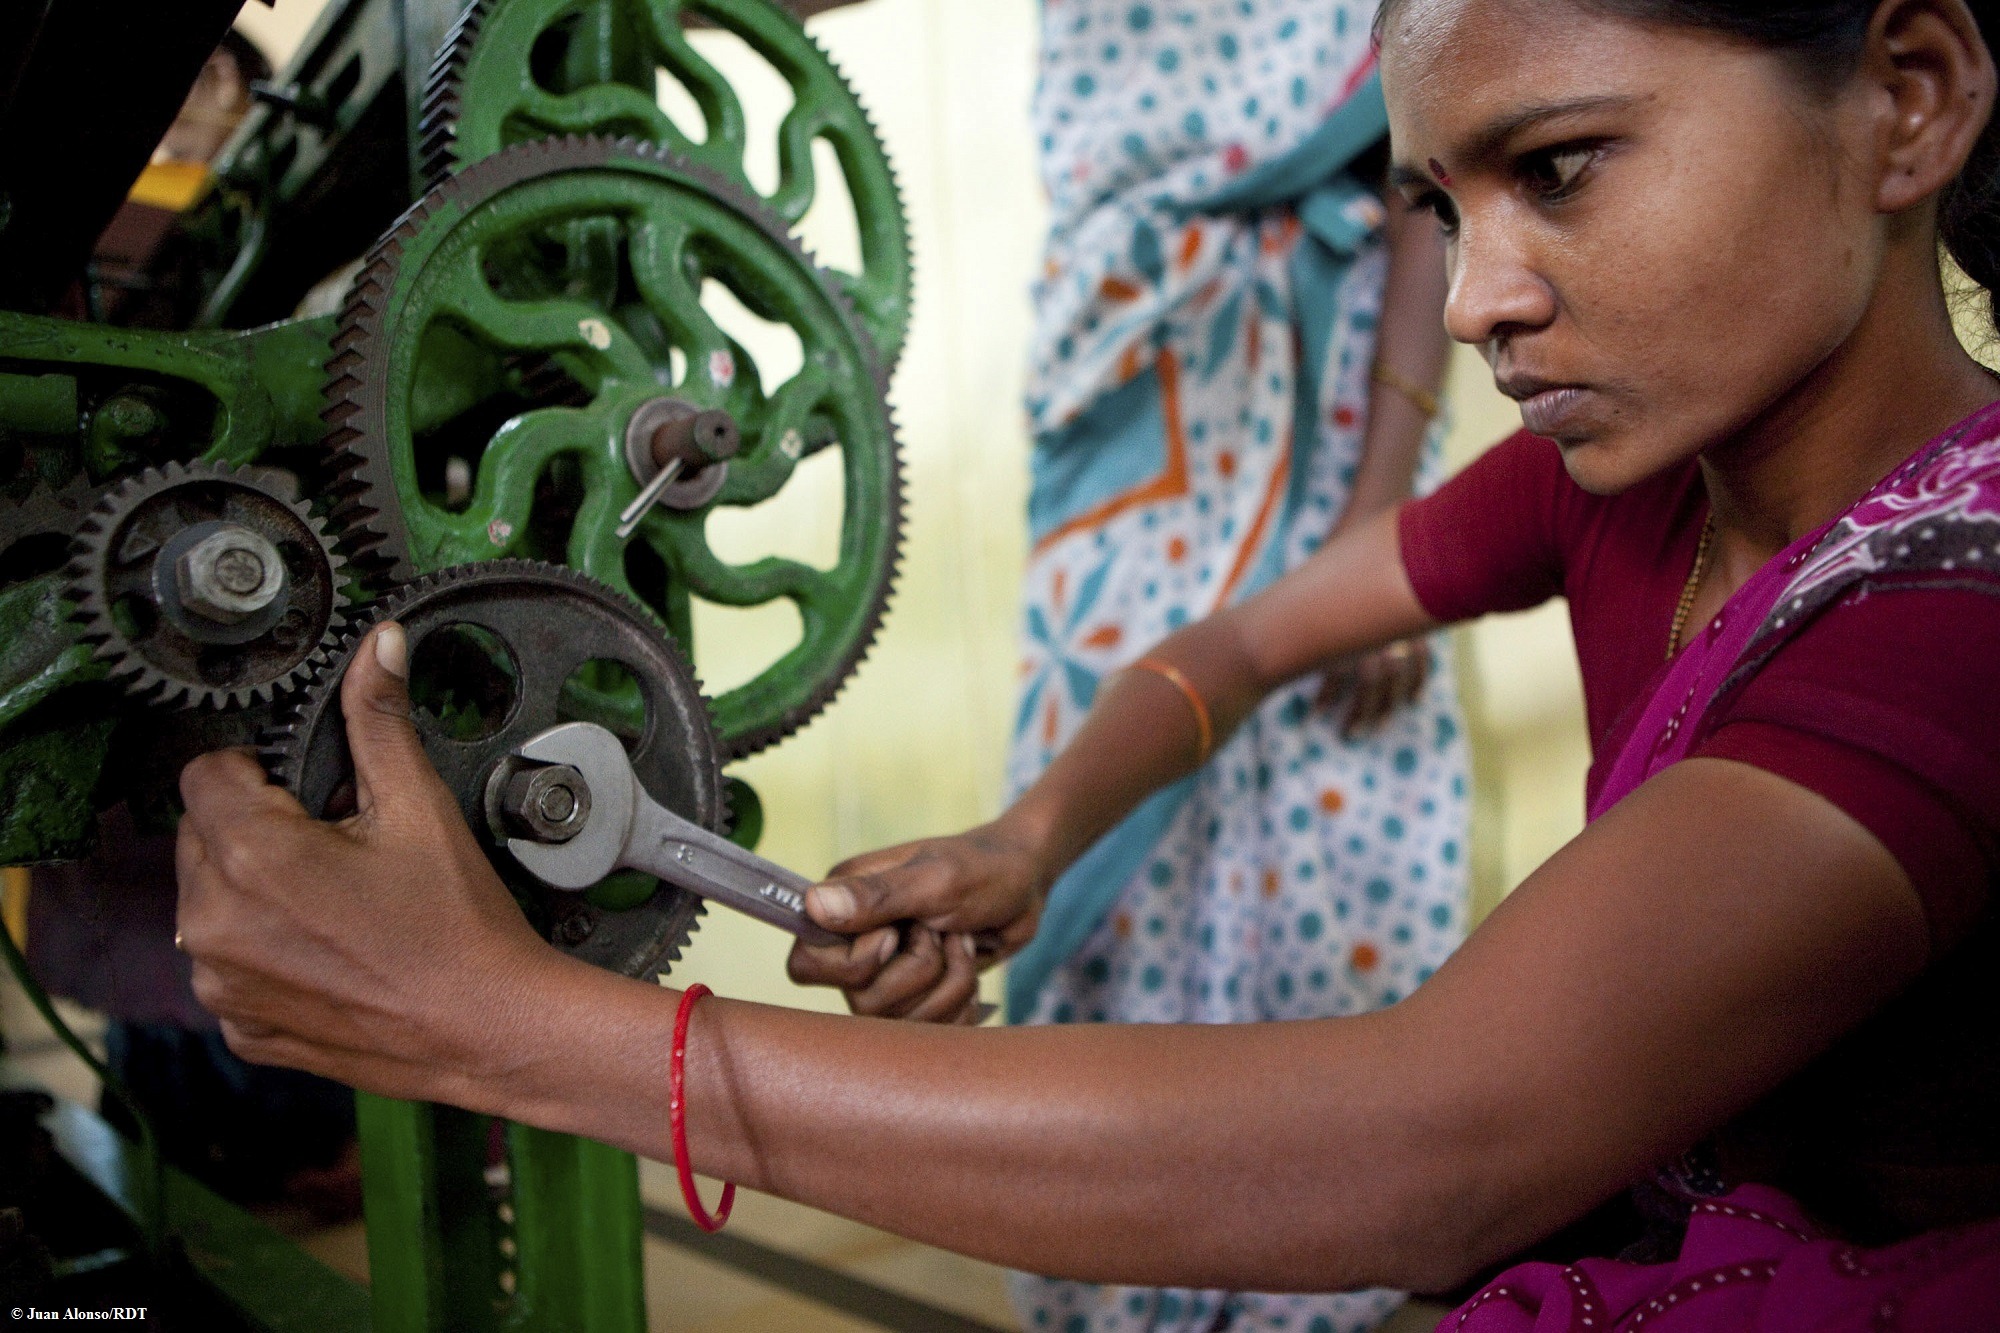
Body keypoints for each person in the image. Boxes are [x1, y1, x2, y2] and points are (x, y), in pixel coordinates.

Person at [174, 0, 2000, 1325]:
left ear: (1906, 105)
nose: (1473, 302)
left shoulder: (1960, 614)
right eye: (1443, 206)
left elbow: (1437, 1146)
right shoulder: (1630, 486)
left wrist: (518, 1028)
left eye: (1563, 168)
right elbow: (1246, 634)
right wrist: (1037, 839)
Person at [941, 2, 1464, 1326]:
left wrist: (1379, 509)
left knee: (1323, 809)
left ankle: (1314, 1271)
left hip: (1331, 396)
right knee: (1099, 820)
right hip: (1123, 379)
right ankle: (1115, 1272)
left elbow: (1421, 167)